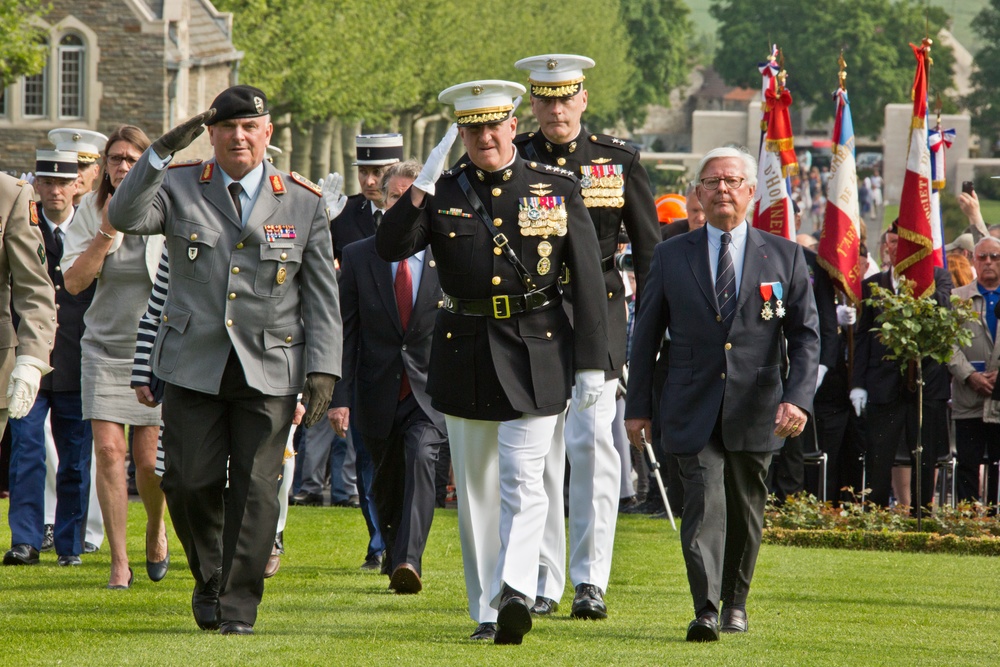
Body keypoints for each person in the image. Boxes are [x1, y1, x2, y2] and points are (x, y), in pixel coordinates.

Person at [376, 80, 609, 645]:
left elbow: (587, 281)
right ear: (460, 133)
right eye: (471, 128)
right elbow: (389, 246)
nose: (484, 136)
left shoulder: (553, 187)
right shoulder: (443, 190)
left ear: (511, 126)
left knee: (525, 481)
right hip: (465, 351)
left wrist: (592, 368)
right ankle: (486, 609)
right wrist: (420, 189)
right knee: (477, 489)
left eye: (493, 125)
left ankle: (514, 590)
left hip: (537, 347)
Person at [108, 84, 341, 635]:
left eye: (250, 127)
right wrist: (159, 153)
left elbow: (321, 298)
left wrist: (324, 368)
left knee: (258, 490)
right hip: (193, 362)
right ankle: (209, 575)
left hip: (271, 366)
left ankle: (237, 605)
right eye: (227, 128)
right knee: (188, 481)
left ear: (267, 134)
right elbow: (124, 214)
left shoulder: (304, 201)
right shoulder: (181, 185)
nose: (239, 137)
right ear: (210, 135)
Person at [625, 146, 819, 642]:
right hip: (690, 405)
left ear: (751, 193)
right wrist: (638, 409)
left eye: (733, 181)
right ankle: (705, 608)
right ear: (698, 193)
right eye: (712, 182)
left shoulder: (785, 256)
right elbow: (645, 336)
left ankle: (736, 602)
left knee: (745, 508)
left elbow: (805, 335)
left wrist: (796, 398)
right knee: (703, 505)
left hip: (757, 407)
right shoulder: (670, 256)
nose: (723, 190)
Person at [513, 53, 660, 620]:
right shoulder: (517, 157)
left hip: (598, 312)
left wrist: (649, 332)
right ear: (533, 104)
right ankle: (545, 579)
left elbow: (648, 252)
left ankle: (590, 580)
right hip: (532, 318)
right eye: (544, 99)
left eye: (564, 97)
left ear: (583, 100)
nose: (555, 109)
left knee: (594, 450)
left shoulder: (616, 160)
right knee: (540, 454)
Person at [330, 159, 447, 595]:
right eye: (397, 197)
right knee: (383, 479)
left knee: (419, 457)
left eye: (414, 198)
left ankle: (408, 560)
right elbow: (346, 332)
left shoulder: (447, 257)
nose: (406, 206)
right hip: (375, 390)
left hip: (428, 393)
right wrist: (339, 397)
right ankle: (395, 549)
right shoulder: (360, 256)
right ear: (382, 202)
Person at [61, 126, 168, 590]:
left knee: (149, 464)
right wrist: (107, 230)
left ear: (147, 163)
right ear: (104, 165)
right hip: (103, 346)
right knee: (108, 451)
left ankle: (155, 527)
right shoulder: (90, 209)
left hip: (156, 352)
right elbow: (74, 282)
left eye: (132, 158)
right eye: (115, 159)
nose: (123, 166)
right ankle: (119, 562)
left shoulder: (168, 207)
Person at [5, 150, 95, 568]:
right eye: (47, 182)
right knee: (26, 452)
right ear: (36, 185)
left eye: (65, 182)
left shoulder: (93, 229)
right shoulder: (24, 219)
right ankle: (24, 539)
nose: (56, 190)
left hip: (78, 357)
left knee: (75, 459)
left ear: (78, 184)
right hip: (30, 356)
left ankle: (70, 543)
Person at [849, 221, 953, 509]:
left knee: (925, 455)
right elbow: (863, 339)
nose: (897, 249)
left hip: (926, 385)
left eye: (904, 244)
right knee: (879, 456)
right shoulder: (873, 286)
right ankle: (878, 516)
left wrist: (918, 280)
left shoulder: (940, 279)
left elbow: (943, 312)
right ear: (885, 247)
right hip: (883, 386)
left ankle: (922, 516)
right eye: (893, 243)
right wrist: (857, 384)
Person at [947, 237, 1000, 503]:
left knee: (998, 469)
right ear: (973, 261)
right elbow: (948, 343)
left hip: (999, 400)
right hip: (968, 398)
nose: (989, 262)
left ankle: (994, 522)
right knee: (967, 465)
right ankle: (966, 522)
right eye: (983, 257)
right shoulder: (957, 299)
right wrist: (969, 374)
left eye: (995, 257)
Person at [48, 129, 109, 206]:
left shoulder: (105, 211)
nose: (76, 173)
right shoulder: (40, 212)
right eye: (68, 166)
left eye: (83, 166)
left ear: (96, 171)